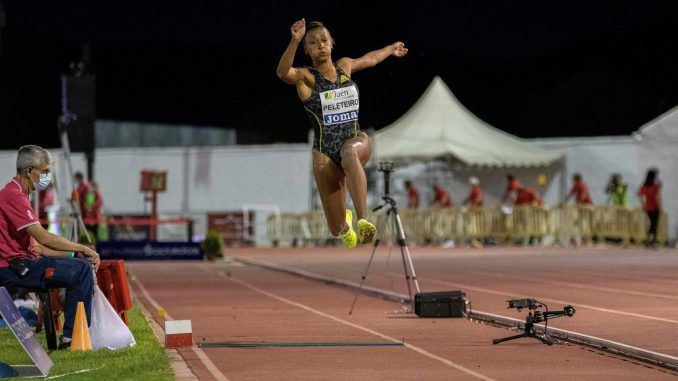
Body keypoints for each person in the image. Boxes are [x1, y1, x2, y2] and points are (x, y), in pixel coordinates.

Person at [276, 18, 408, 248]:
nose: (320, 45)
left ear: (332, 43)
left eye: (324, 40)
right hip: (325, 154)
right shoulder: (306, 78)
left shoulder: (344, 66)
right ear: (307, 49)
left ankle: (363, 220)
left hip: (356, 140)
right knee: (335, 228)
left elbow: (370, 59)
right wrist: (294, 41)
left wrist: (390, 49)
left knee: (349, 152)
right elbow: (282, 72)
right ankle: (345, 225)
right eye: (313, 43)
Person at [0, 145, 100, 350]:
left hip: (24, 263)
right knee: (81, 271)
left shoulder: (18, 195)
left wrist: (75, 252)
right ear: (29, 171)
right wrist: (83, 248)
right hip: (12, 269)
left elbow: (37, 247)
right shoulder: (13, 197)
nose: (48, 176)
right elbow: (43, 238)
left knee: (79, 265)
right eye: (45, 171)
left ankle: (75, 335)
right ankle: (74, 338)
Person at [637, 168, 662, 247]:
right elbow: (657, 197)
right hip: (655, 207)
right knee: (654, 224)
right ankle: (653, 240)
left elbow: (641, 197)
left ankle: (648, 239)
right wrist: (660, 207)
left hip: (647, 207)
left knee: (651, 224)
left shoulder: (643, 186)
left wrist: (643, 205)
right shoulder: (655, 185)